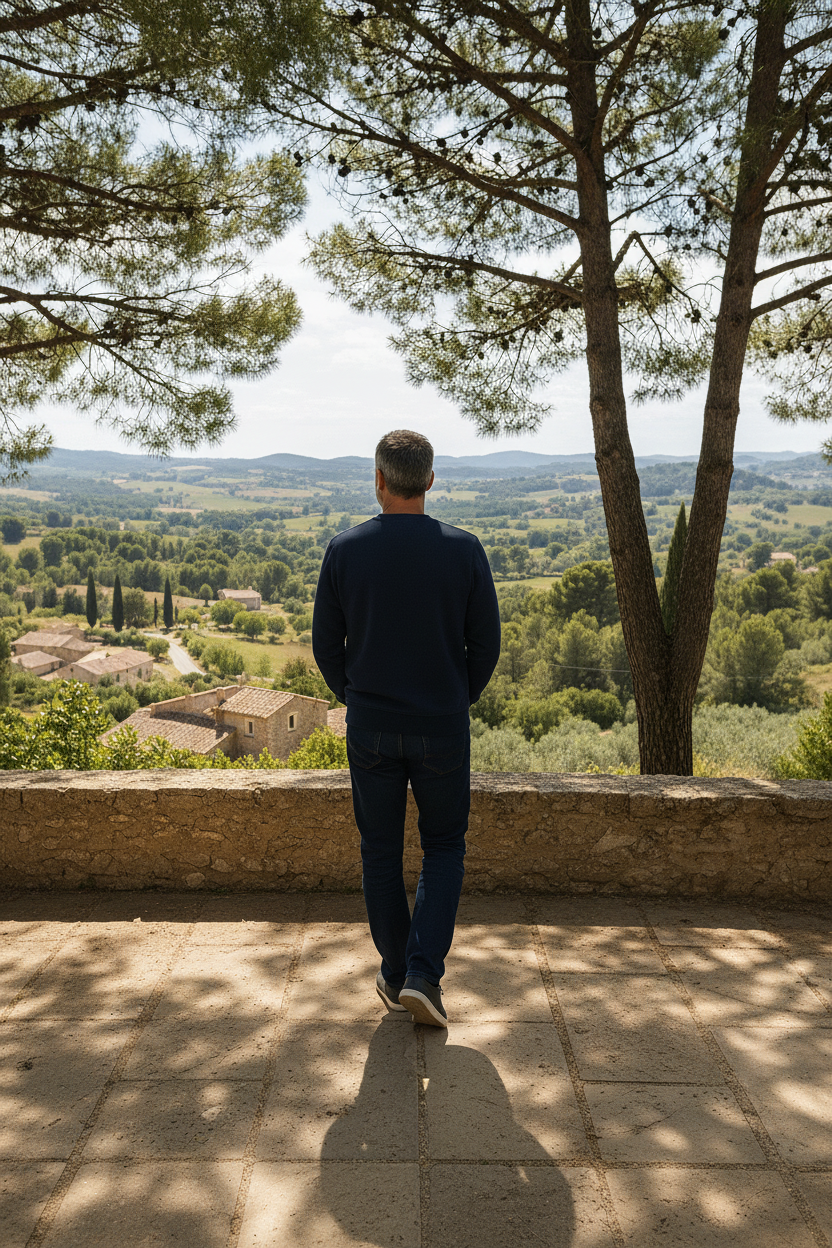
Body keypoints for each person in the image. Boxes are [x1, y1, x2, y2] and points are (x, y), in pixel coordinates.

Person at [312, 429, 501, 1027]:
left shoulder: (344, 551)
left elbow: (325, 646)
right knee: (444, 845)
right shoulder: (464, 550)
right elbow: (486, 645)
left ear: (379, 480)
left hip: (370, 725)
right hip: (441, 723)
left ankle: (398, 973)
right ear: (430, 480)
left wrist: (357, 697)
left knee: (379, 850)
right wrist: (455, 697)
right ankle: (421, 973)